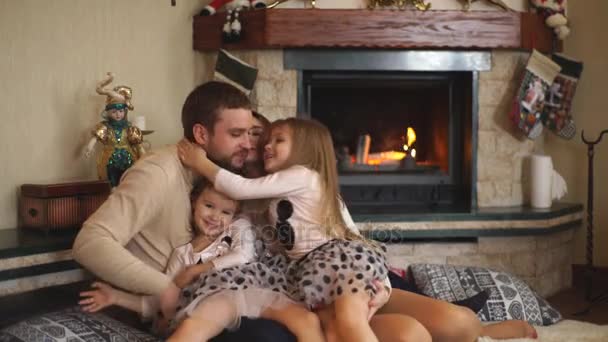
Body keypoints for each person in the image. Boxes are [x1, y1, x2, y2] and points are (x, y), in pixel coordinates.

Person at [73, 81, 297, 342]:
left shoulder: (217, 174)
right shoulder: (158, 173)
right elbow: (89, 243)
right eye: (237, 134)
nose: (248, 145)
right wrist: (164, 287)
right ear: (202, 135)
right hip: (171, 310)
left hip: (212, 295)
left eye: (250, 134)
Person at [174, 118, 399, 342]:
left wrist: (200, 163)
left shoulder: (304, 175)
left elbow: (355, 238)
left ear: (304, 148)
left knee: (351, 321)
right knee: (332, 330)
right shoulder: (278, 193)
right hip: (308, 268)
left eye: (278, 140)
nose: (267, 146)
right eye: (267, 141)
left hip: (340, 261)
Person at [77, 180, 253, 332]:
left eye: (226, 212)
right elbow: (159, 300)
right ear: (194, 202)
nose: (215, 216)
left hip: (240, 308)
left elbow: (244, 255)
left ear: (234, 215)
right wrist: (115, 297)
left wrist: (195, 271)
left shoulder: (237, 227)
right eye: (209, 206)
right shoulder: (182, 254)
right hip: (201, 320)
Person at [84, 72, 146, 187]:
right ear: (108, 113)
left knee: (129, 184)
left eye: (121, 111)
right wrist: (90, 146)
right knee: (111, 185)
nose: (118, 114)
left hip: (129, 161)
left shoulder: (130, 128)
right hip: (109, 162)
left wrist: (144, 156)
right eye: (114, 112)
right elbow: (95, 138)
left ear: (125, 112)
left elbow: (138, 146)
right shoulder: (106, 127)